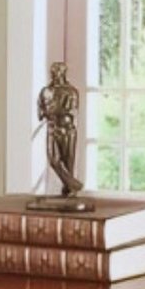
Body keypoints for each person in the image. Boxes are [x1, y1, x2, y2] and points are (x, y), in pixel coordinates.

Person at [38, 62, 84, 197]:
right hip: (52, 128)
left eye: (57, 71)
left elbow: (70, 110)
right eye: (52, 71)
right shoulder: (45, 91)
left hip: (67, 130)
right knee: (53, 159)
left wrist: (51, 110)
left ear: (63, 73)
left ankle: (68, 189)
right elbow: (40, 113)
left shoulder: (71, 91)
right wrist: (51, 111)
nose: (54, 74)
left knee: (68, 161)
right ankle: (74, 184)